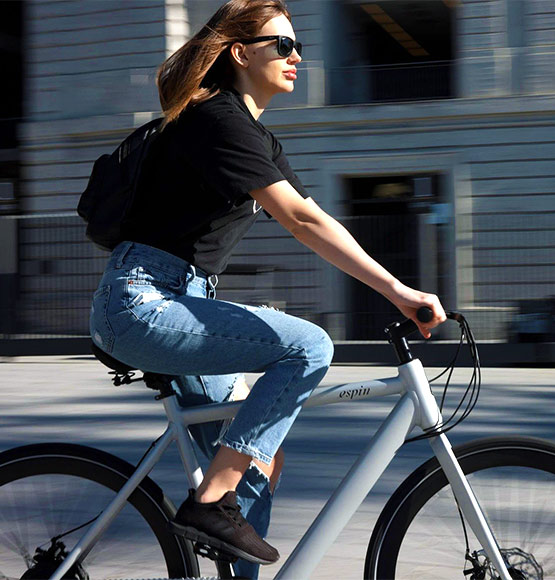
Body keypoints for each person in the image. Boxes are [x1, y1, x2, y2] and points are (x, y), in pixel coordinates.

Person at [89, 0, 446, 578]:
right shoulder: (216, 120)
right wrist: (398, 292)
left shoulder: (250, 133)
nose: (296, 55)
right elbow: (300, 224)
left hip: (180, 300)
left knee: (258, 463)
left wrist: (397, 288)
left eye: (298, 45)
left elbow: (316, 215)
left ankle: (222, 513)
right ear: (240, 53)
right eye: (281, 44)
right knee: (308, 347)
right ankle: (208, 503)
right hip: (144, 302)